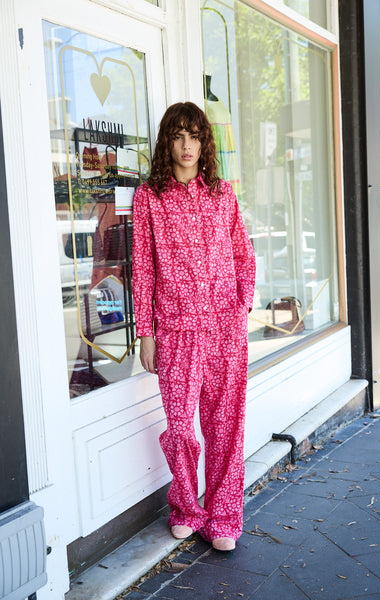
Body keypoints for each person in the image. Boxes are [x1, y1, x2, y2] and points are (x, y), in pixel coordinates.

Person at [132, 102, 256, 552]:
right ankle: (186, 506)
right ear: (167, 142)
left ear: (205, 142)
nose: (187, 146)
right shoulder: (149, 197)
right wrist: (146, 332)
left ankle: (224, 516)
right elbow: (143, 267)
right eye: (178, 136)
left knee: (226, 426)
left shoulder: (223, 194)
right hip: (176, 330)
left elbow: (243, 253)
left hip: (225, 328)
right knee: (182, 426)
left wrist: (240, 305)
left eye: (195, 136)